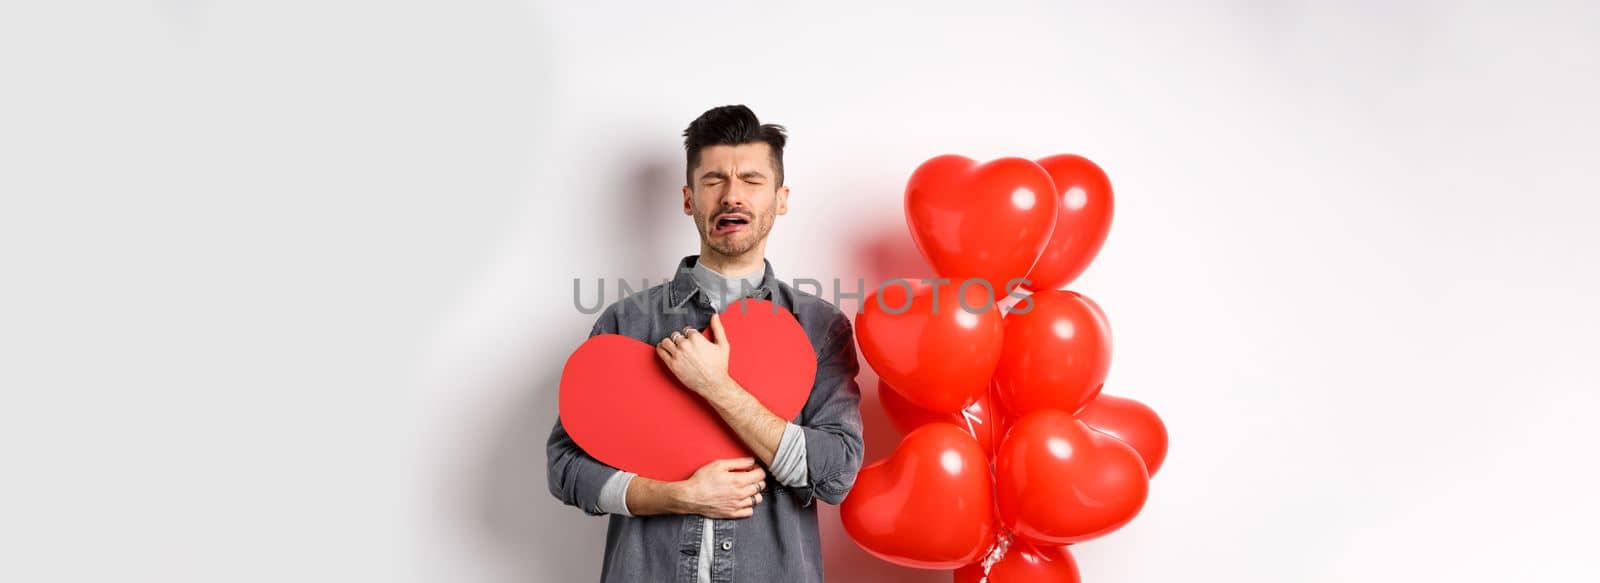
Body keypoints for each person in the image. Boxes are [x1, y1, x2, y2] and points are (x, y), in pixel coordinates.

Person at [547, 104, 865, 583]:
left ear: (780, 199)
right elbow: (566, 468)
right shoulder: (626, 323)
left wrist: (716, 386)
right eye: (714, 180)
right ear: (688, 198)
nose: (732, 196)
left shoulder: (820, 327)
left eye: (752, 180)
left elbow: (837, 473)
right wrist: (678, 495)